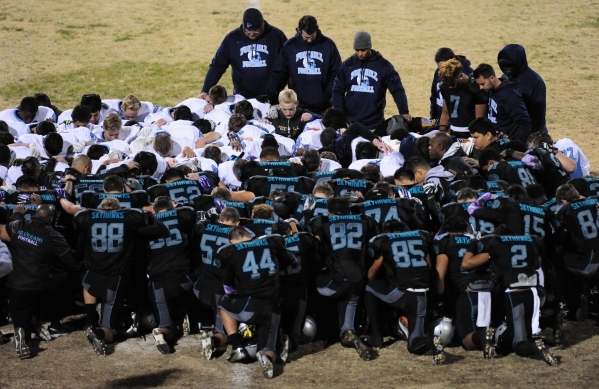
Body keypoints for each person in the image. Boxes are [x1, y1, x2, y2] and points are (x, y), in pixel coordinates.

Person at [74, 198, 168, 355]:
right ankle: (100, 333)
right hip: (114, 278)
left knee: (88, 281)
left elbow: (78, 251)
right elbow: (161, 230)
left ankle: (90, 321)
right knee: (109, 328)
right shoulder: (129, 220)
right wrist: (150, 216)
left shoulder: (88, 218)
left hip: (91, 276)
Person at [462, 225, 557, 366]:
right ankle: (551, 322)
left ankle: (533, 347)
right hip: (536, 292)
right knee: (525, 324)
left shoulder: (495, 243)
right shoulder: (530, 240)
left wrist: (474, 244)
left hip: (515, 294)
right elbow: (537, 264)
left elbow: (466, 264)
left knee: (518, 344)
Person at [216, 226, 295, 378]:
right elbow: (291, 260)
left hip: (249, 306)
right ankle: (267, 358)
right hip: (273, 307)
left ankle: (237, 346)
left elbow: (228, 289)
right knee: (269, 349)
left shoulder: (231, 252)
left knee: (223, 302)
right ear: (248, 236)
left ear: (232, 241)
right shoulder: (270, 242)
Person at [365, 219, 446, 364]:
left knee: (370, 287)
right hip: (422, 296)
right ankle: (430, 342)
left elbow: (371, 275)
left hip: (402, 294)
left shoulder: (385, 241)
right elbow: (429, 266)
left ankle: (376, 337)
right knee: (415, 344)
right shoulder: (421, 238)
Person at [6, 204, 79, 359]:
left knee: (21, 312)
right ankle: (43, 324)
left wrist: (17, 213)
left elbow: (12, 223)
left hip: (16, 285)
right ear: (51, 219)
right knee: (60, 281)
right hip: (41, 286)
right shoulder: (53, 235)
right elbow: (69, 261)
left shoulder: (18, 225)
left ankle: (23, 332)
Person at [309, 197, 378, 361]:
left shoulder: (321, 221)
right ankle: (350, 335)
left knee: (312, 286)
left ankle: (323, 330)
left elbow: (314, 246)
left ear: (330, 211)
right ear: (349, 209)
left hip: (333, 282)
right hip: (357, 280)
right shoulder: (365, 220)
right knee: (347, 323)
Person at [332, 31, 411, 135]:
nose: (360, 53)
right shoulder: (347, 65)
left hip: (374, 125)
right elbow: (337, 91)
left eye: (363, 50)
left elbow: (397, 89)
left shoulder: (383, 66)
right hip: (351, 123)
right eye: (357, 50)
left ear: (369, 47)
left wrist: (403, 111)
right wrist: (340, 119)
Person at [199, 8, 287, 100]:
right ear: (243, 26)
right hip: (242, 98)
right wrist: (205, 90)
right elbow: (217, 65)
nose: (251, 34)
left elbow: (288, 66)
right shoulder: (232, 38)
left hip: (272, 98)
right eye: (247, 31)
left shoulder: (277, 36)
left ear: (263, 26)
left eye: (256, 31)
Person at [267, 15, 341, 113]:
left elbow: (337, 73)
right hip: (297, 106)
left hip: (322, 107)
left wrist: (326, 95)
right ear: (299, 30)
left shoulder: (328, 45)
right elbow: (279, 71)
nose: (310, 40)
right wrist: (270, 91)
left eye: (312, 37)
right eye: (306, 37)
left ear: (317, 30)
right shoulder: (290, 46)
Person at [473, 64, 531, 143]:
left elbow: (524, 122)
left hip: (507, 144)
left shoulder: (510, 95)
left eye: (482, 84)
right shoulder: (492, 91)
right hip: (496, 143)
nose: (481, 88)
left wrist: (515, 144)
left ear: (492, 78)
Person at [498, 44, 547, 133]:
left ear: (518, 62)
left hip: (530, 134)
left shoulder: (535, 82)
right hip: (511, 132)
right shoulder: (505, 77)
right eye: (503, 65)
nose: (506, 68)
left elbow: (538, 116)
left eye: (509, 65)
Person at [437, 59, 487, 138]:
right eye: (447, 84)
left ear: (460, 76)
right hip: (452, 132)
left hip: (470, 134)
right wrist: (441, 133)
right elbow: (445, 113)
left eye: (452, 83)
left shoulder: (475, 89)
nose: (450, 87)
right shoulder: (445, 87)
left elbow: (479, 120)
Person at [430, 48, 474, 120]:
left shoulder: (469, 74)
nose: (442, 71)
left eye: (444, 67)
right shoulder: (439, 72)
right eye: (440, 68)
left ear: (454, 60)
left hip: (459, 122)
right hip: (441, 119)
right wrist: (433, 116)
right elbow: (434, 96)